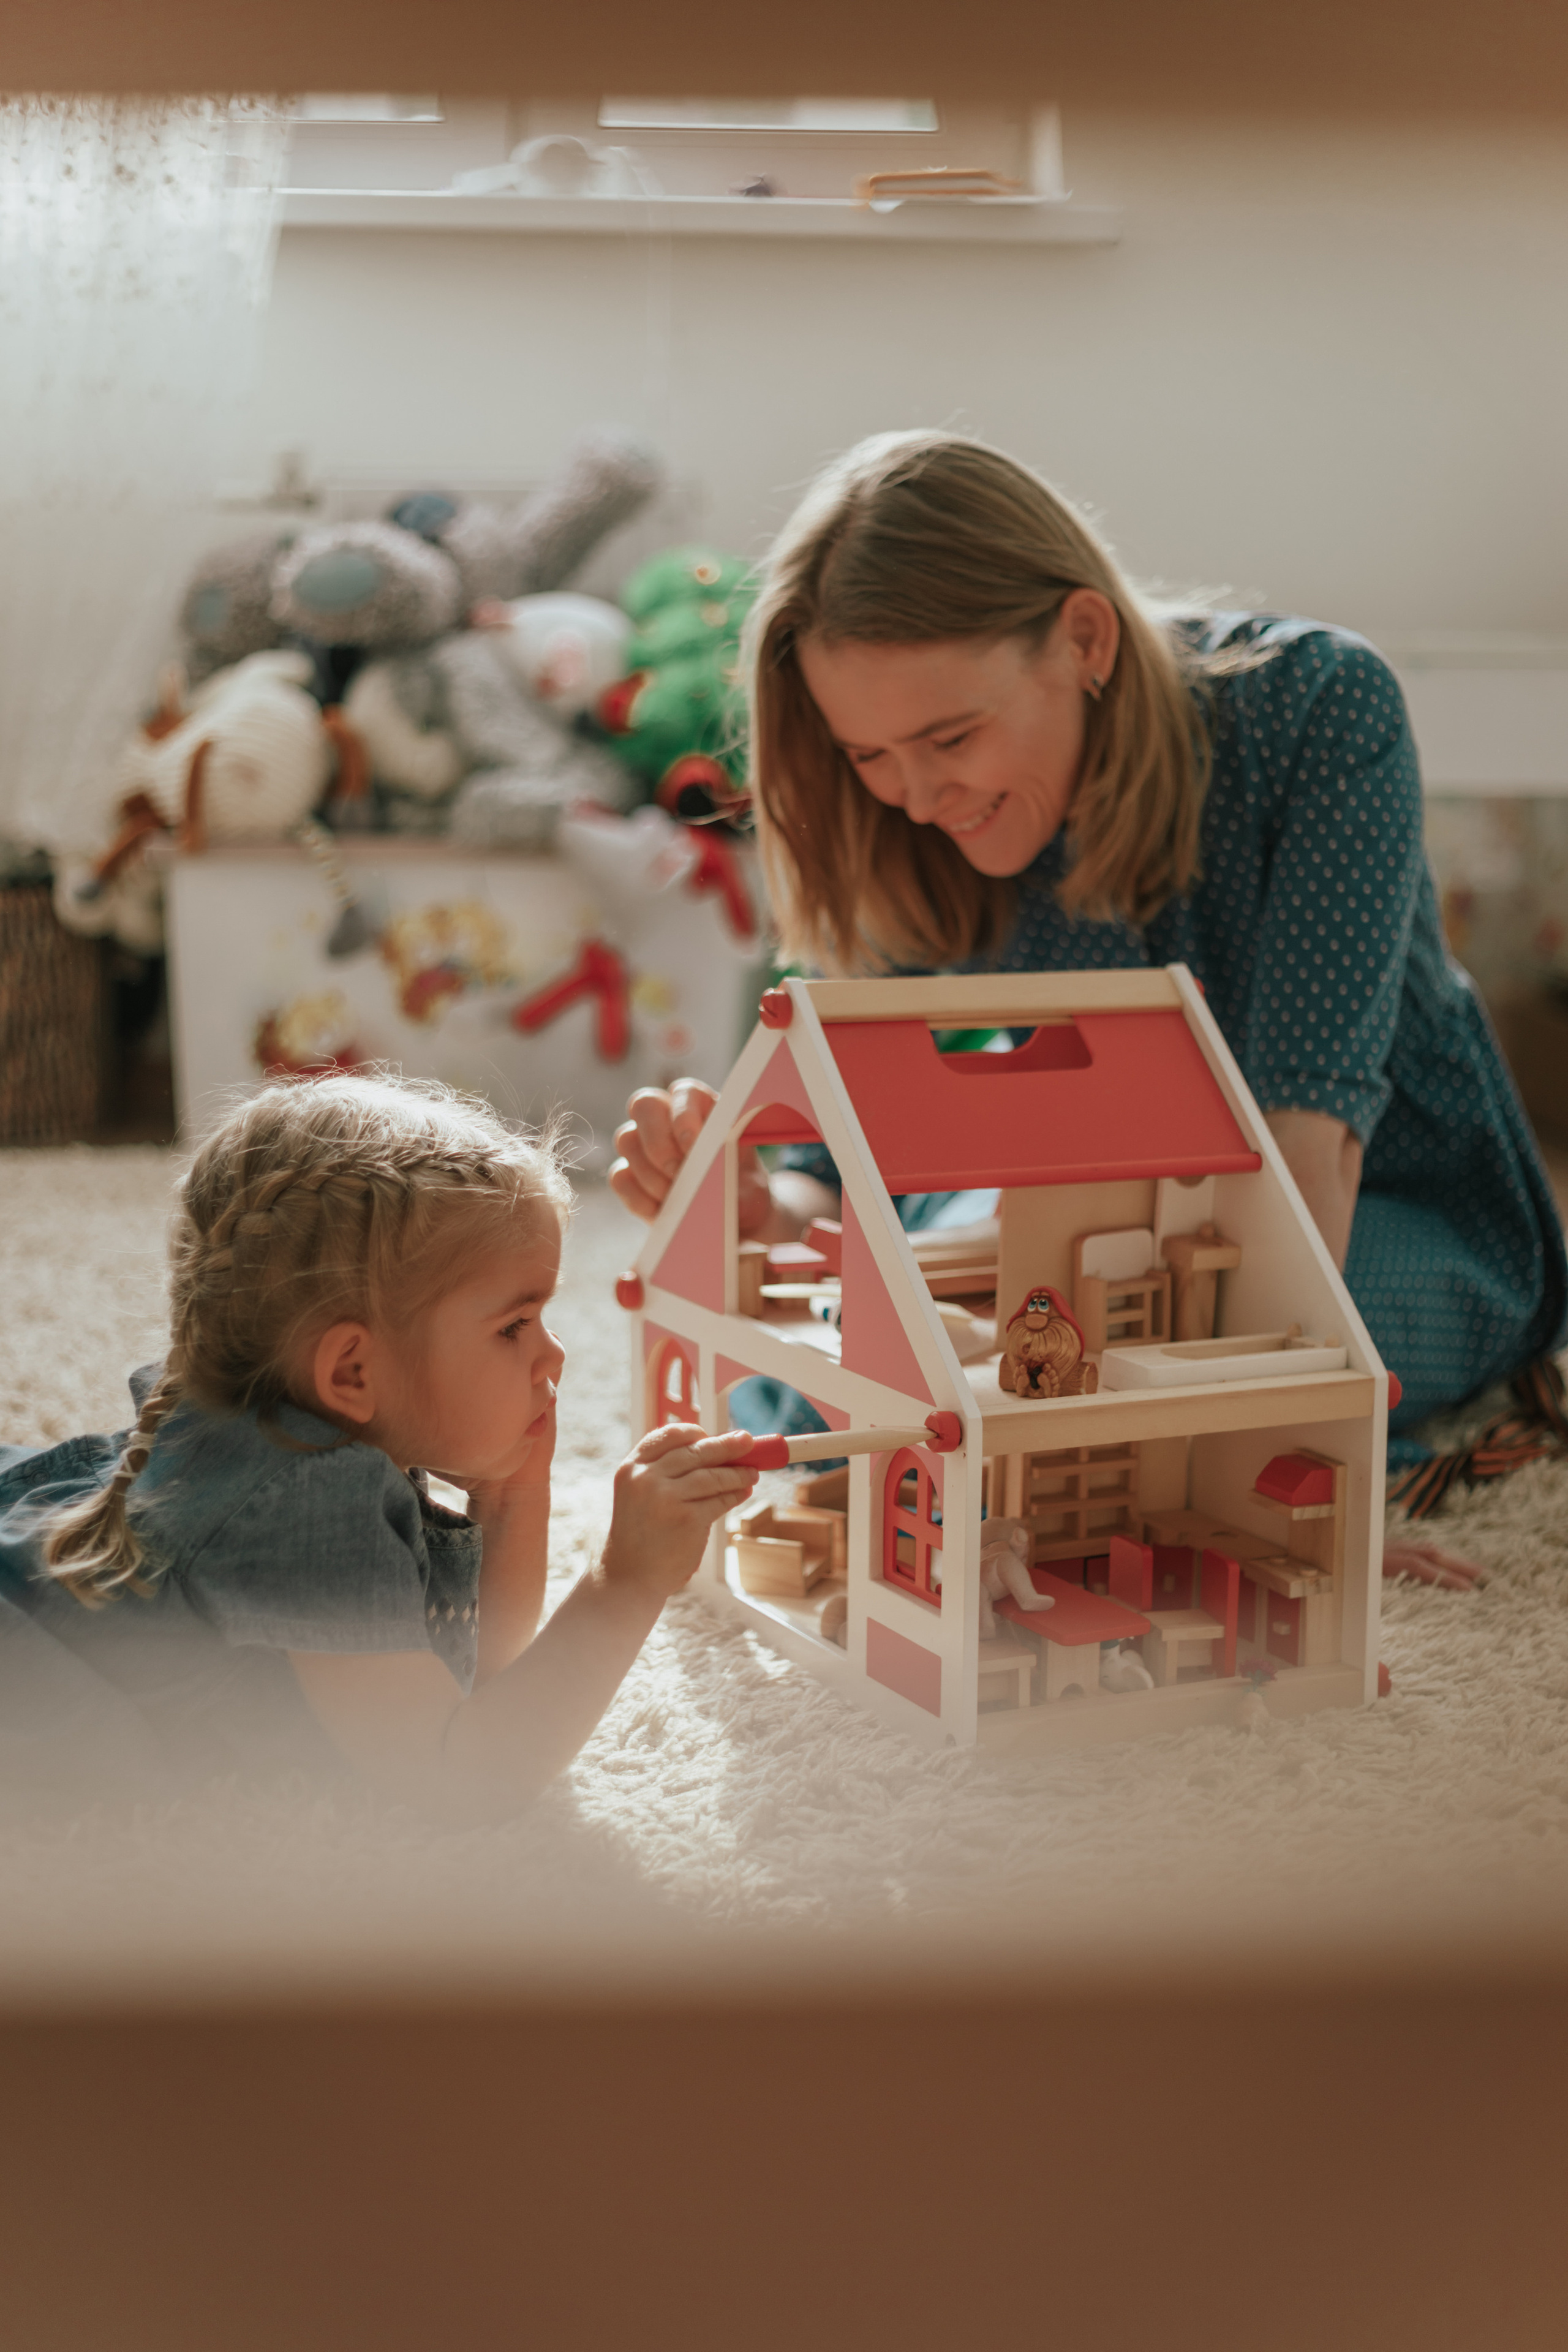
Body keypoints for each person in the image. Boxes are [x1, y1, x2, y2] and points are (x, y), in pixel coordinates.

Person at [611, 431, 1567, 1589]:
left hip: (1385, 1199)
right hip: (1084, 1198)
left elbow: (1307, 1138)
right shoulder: (913, 820)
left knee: (1088, 1353)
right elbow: (831, 1159)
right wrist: (769, 1205)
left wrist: (1264, 1475)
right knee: (907, 1331)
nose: (914, 796)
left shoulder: (1322, 707)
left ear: (1084, 639)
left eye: (949, 738)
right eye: (869, 753)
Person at [0, 1073, 757, 1814]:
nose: (552, 1355)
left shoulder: (302, 1429)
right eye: (513, 1327)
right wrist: (625, 1582)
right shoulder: (303, 1498)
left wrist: (513, 1488)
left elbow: (483, 1665)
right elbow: (459, 1778)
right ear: (352, 1371)